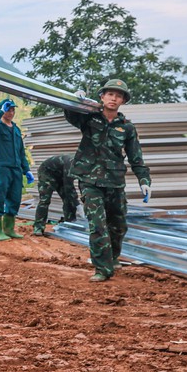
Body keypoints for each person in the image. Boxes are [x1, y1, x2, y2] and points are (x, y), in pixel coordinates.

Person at [64, 79, 151, 282]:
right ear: (102, 97)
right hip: (89, 180)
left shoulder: (127, 128)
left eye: (118, 96)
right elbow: (71, 115)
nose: (114, 98)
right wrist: (74, 101)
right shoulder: (89, 119)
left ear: (123, 101)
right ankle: (102, 268)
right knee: (98, 225)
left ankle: (112, 257)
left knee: (118, 225)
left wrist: (144, 180)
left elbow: (136, 157)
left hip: (114, 181)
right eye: (110, 94)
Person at [0, 99, 34, 241]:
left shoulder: (16, 130)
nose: (11, 112)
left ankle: (9, 229)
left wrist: (26, 170)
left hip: (16, 169)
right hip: (2, 168)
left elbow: (21, 152)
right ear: (3, 110)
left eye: (13, 110)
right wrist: (0, 111)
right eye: (8, 109)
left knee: (15, 198)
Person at [32, 154, 79, 236]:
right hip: (46, 172)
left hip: (60, 175)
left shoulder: (86, 167)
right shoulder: (71, 164)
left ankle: (69, 224)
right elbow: (69, 187)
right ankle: (38, 227)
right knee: (45, 200)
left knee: (68, 199)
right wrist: (78, 204)